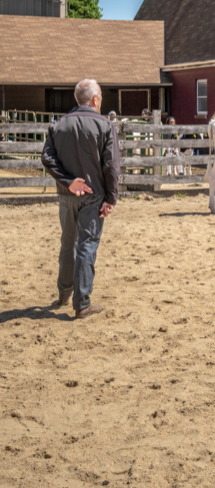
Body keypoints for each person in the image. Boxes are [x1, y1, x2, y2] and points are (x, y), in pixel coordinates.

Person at [41, 79, 119, 318]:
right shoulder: (105, 125)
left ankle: (64, 293)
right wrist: (111, 198)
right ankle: (82, 302)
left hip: (67, 194)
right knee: (87, 245)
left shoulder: (58, 125)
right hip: (93, 195)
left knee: (68, 242)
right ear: (95, 99)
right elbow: (111, 167)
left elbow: (47, 158)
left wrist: (68, 181)